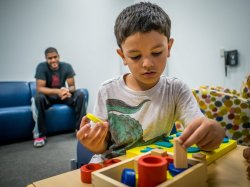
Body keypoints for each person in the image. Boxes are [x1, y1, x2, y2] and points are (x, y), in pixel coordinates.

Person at [77, 2, 225, 162]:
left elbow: (198, 126)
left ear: (169, 48)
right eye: (135, 56)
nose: (147, 63)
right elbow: (103, 146)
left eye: (156, 52)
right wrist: (94, 144)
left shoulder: (176, 89)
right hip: (112, 164)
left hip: (156, 164)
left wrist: (212, 134)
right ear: (123, 57)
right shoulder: (107, 90)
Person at [32, 47, 86, 147]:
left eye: (55, 57)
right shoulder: (41, 67)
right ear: (46, 59)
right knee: (38, 97)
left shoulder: (66, 66)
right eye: (50, 58)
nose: (53, 60)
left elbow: (72, 86)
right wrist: (58, 91)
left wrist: (67, 91)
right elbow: (40, 88)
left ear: (58, 56)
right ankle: (40, 135)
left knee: (80, 94)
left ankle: (80, 129)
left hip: (63, 96)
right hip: (48, 97)